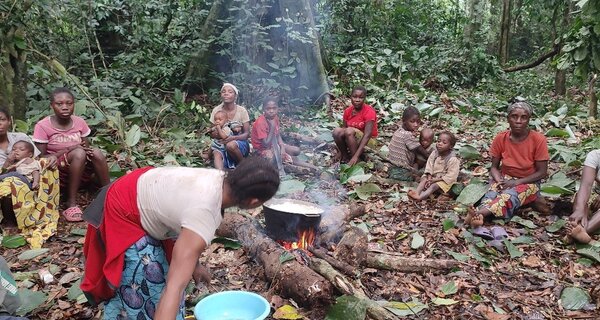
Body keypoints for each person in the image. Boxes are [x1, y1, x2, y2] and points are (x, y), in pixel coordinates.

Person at [81, 157, 280, 319]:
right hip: (122, 212)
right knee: (154, 288)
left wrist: (194, 265)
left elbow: (181, 217)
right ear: (254, 201)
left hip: (137, 191)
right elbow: (174, 286)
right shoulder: (204, 213)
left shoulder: (220, 179)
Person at [465, 102, 549, 228]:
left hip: (529, 182)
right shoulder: (500, 138)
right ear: (508, 119)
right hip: (505, 178)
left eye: (523, 117)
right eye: (514, 116)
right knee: (491, 193)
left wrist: (516, 183)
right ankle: (480, 215)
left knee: (509, 196)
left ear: (529, 120)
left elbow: (542, 172)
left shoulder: (538, 140)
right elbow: (493, 167)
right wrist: (499, 179)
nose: (518, 121)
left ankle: (478, 214)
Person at [32, 87, 110, 222]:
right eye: (59, 104)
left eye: (69, 103)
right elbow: (41, 158)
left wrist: (83, 150)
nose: (65, 107)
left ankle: (109, 195)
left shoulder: (79, 122)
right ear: (52, 106)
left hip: (80, 167)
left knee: (95, 152)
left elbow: (85, 147)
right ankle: (71, 203)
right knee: (78, 153)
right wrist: (69, 149)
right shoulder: (43, 125)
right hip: (57, 170)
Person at [0, 108, 59, 249]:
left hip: (27, 177)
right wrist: (8, 162)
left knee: (48, 166)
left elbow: (36, 160)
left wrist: (51, 158)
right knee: (9, 183)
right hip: (6, 179)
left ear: (9, 121)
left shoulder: (20, 138)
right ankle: (9, 221)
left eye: (2, 119)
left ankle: (40, 213)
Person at [332, 86, 378, 166]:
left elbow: (367, 135)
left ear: (364, 99)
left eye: (361, 97)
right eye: (355, 97)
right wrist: (340, 151)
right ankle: (345, 156)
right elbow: (343, 131)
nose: (357, 100)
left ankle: (356, 159)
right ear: (351, 97)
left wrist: (355, 156)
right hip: (352, 140)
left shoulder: (369, 111)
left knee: (349, 131)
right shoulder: (347, 111)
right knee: (337, 131)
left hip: (369, 142)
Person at [251, 96, 300, 173]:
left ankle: (284, 159)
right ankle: (277, 166)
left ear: (278, 108)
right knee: (270, 159)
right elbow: (265, 144)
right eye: (268, 109)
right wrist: (272, 127)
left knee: (296, 150)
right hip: (261, 150)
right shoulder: (260, 122)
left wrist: (282, 147)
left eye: (274, 108)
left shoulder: (275, 117)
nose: (271, 111)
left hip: (273, 145)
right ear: (264, 109)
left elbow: (277, 135)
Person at [209, 83, 250, 170]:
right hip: (221, 143)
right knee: (216, 154)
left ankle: (244, 166)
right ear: (221, 95)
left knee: (230, 145)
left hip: (239, 144)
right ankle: (220, 175)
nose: (226, 93)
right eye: (223, 91)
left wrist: (232, 138)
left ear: (235, 96)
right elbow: (212, 133)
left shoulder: (242, 111)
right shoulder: (216, 110)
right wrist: (220, 133)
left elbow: (246, 134)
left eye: (230, 92)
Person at [408, 131, 460, 201]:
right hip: (432, 176)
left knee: (433, 186)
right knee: (424, 180)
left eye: (444, 143)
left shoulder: (453, 159)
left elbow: (451, 176)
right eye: (438, 141)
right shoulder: (434, 153)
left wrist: (435, 180)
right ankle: (417, 193)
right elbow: (429, 165)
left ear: (451, 146)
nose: (440, 144)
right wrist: (429, 177)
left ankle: (420, 197)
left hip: (443, 180)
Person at [566, 149, 600, 243]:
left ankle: (583, 231)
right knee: (580, 199)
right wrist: (579, 209)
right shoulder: (595, 156)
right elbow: (586, 185)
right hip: (595, 193)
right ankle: (579, 229)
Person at [387, 106, 430, 179]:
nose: (416, 125)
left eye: (418, 121)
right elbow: (424, 153)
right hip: (402, 171)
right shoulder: (407, 135)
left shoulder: (399, 131)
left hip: (391, 167)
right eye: (412, 121)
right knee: (424, 168)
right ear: (404, 121)